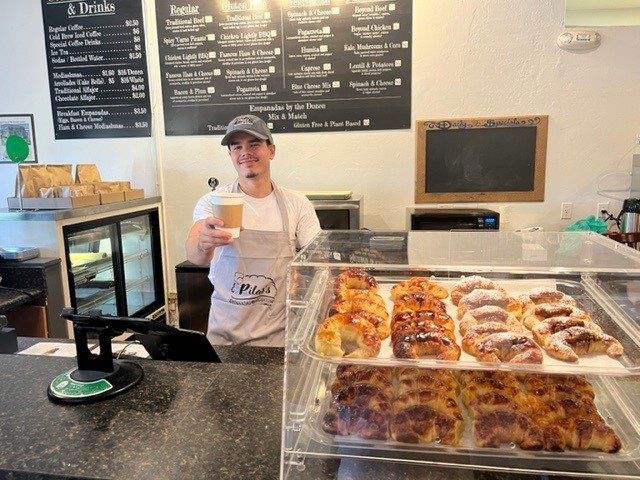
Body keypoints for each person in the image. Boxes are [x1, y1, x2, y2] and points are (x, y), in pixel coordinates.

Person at [185, 114, 321, 346]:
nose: (245, 153)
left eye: (254, 144)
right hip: (224, 339)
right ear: (231, 156)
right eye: (237, 147)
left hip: (279, 339)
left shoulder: (297, 203)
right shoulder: (213, 202)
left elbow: (318, 262)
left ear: (271, 151)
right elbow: (195, 256)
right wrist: (203, 241)